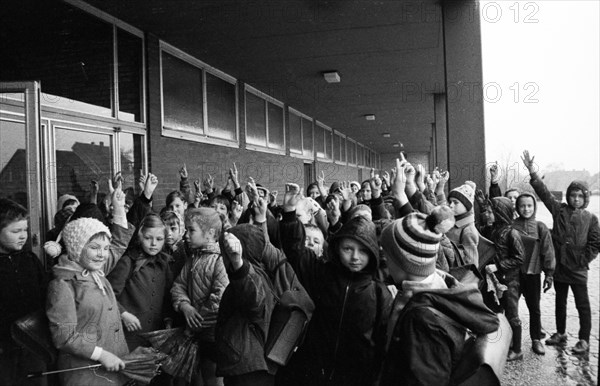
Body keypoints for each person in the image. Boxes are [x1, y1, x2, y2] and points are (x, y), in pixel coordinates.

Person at [277, 183, 392, 386]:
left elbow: (383, 342)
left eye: (363, 251)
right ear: (337, 248)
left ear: (373, 253)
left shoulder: (379, 292)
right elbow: (296, 252)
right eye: (348, 248)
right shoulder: (324, 274)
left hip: (356, 376)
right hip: (314, 371)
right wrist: (289, 214)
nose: (355, 257)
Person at [379, 207, 499, 385]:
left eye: (387, 256)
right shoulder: (444, 285)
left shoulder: (422, 320)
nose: (385, 262)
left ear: (401, 261)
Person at [522, 150, 599, 354]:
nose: (575, 199)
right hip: (560, 267)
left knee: (583, 304)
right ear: (568, 196)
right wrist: (533, 174)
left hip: (579, 269)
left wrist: (583, 259)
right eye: (572, 195)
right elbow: (545, 194)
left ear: (585, 198)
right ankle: (561, 333)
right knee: (560, 302)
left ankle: (584, 339)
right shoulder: (560, 211)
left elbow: (595, 243)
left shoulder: (591, 219)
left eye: (580, 196)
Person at [46, 217, 129, 386]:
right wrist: (102, 355)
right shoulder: (62, 285)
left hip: (112, 370)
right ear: (77, 248)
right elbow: (64, 336)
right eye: (94, 248)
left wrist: (119, 209)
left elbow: (119, 245)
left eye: (106, 248)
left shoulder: (97, 274)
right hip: (85, 374)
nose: (102, 254)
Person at [171, 208, 229, 386]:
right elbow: (178, 285)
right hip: (197, 335)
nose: (185, 235)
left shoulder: (220, 260)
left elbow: (219, 299)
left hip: (213, 336)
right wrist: (185, 306)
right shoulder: (194, 258)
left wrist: (195, 322)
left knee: (213, 379)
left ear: (210, 233)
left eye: (191, 230)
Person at [215, 230, 276, 385]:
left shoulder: (254, 277)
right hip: (244, 365)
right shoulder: (256, 274)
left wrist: (238, 263)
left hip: (249, 369)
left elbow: (253, 298)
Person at [107, 213, 174, 350]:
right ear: (139, 235)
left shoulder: (165, 263)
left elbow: (167, 296)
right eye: (148, 238)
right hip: (129, 336)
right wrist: (123, 314)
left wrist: (168, 319)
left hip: (155, 336)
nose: (154, 243)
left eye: (159, 239)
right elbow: (108, 295)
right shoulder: (128, 262)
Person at [0, 198, 48, 386]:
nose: (23, 236)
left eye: (25, 230)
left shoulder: (30, 259)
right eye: (15, 231)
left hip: (34, 344)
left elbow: (45, 294)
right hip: (4, 348)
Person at [512, 192, 556, 355]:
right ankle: (511, 339)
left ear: (535, 207)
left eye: (529, 205)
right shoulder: (512, 226)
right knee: (511, 307)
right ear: (517, 207)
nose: (526, 209)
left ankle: (536, 339)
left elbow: (548, 251)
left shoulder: (540, 227)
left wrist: (549, 273)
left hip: (533, 274)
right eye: (522, 205)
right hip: (514, 274)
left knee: (534, 307)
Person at [483, 197, 525, 361]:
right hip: (495, 281)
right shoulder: (493, 230)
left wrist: (498, 266)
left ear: (500, 213)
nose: (487, 215)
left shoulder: (512, 233)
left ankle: (517, 349)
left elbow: (519, 258)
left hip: (510, 282)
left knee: (512, 315)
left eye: (490, 212)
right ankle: (500, 343)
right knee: (496, 311)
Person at [447, 183, 480, 265]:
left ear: (466, 205)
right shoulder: (454, 221)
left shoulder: (468, 231)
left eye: (455, 202)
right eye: (450, 202)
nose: (451, 205)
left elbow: (471, 264)